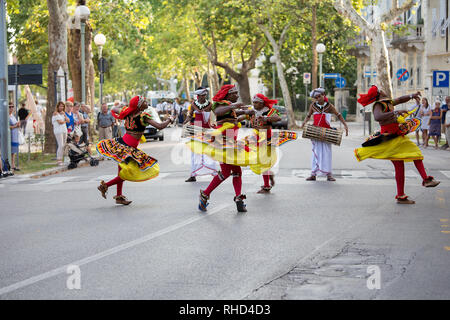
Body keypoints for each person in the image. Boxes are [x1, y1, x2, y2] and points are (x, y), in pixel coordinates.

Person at [354, 85, 440, 204]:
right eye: (381, 89)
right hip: (389, 138)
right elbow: (377, 117)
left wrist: (412, 96)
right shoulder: (379, 105)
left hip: (397, 136)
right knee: (415, 154)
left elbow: (400, 99)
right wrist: (395, 112)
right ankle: (425, 180)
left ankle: (402, 195)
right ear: (380, 93)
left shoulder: (388, 102)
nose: (383, 89)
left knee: (402, 164)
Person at [96, 95, 175, 205]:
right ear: (139, 106)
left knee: (122, 172)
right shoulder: (143, 116)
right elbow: (160, 126)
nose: (146, 102)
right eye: (143, 101)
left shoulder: (127, 112)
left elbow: (113, 109)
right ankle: (104, 186)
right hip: (127, 149)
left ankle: (118, 196)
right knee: (126, 173)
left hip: (122, 144)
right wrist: (170, 119)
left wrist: (123, 108)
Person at [190, 84, 255, 212]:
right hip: (223, 141)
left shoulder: (228, 107)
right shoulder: (218, 104)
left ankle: (237, 198)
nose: (237, 95)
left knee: (236, 171)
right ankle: (206, 194)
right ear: (228, 94)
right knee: (227, 172)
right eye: (234, 93)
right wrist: (234, 106)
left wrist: (247, 113)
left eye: (237, 92)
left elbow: (233, 120)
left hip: (231, 140)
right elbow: (218, 112)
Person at [300, 88, 349, 181]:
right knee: (315, 154)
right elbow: (308, 115)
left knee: (327, 153)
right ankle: (313, 174)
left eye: (319, 96)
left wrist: (345, 125)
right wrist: (304, 123)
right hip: (315, 132)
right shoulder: (313, 106)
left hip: (326, 133)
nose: (318, 98)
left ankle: (329, 174)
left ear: (324, 95)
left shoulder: (329, 106)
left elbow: (338, 115)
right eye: (316, 97)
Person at [183, 87, 219, 182]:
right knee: (195, 153)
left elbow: (216, 114)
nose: (203, 97)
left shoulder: (210, 104)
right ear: (198, 96)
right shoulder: (193, 104)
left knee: (209, 151)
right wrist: (186, 121)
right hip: (196, 129)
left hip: (207, 129)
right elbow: (190, 115)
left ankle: (214, 172)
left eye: (205, 95)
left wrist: (217, 124)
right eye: (202, 95)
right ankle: (193, 174)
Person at [248, 93, 281, 193]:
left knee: (263, 161)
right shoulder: (252, 111)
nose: (254, 104)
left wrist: (266, 118)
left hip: (266, 138)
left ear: (262, 103)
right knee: (256, 161)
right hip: (255, 138)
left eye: (256, 102)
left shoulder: (269, 110)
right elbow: (242, 117)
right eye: (253, 102)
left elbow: (278, 118)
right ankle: (269, 174)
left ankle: (266, 186)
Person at [52, 101, 69, 166]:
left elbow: (68, 120)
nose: (61, 107)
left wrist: (64, 115)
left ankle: (64, 159)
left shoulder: (63, 113)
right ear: (58, 107)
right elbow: (60, 122)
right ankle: (59, 159)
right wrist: (65, 121)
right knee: (61, 145)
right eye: (60, 106)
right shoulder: (55, 113)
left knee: (64, 145)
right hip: (58, 131)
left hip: (64, 130)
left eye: (62, 106)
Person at [9, 103, 20, 171]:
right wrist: (15, 126)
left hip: (15, 135)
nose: (11, 108)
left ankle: (13, 165)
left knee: (14, 151)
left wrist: (18, 124)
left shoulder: (12, 115)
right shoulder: (6, 116)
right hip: (11, 135)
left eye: (12, 107)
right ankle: (11, 165)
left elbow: (15, 124)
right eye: (10, 107)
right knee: (11, 151)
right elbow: (8, 126)